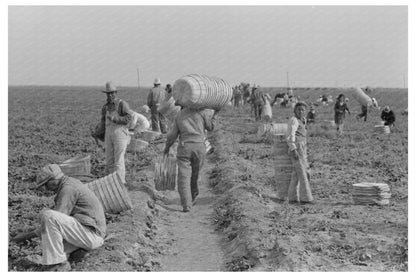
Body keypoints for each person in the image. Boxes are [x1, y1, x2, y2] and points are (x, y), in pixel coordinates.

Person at [11, 164, 106, 271]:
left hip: (93, 235)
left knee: (48, 215)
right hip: (87, 233)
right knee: (47, 218)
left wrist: (26, 236)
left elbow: (55, 218)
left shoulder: (68, 189)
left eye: (46, 184)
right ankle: (78, 251)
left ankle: (59, 263)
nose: (46, 188)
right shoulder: (68, 184)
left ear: (54, 180)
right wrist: (29, 231)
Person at [163, 107, 218, 212]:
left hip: (184, 147)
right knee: (195, 175)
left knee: (183, 177)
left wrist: (167, 147)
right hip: (199, 147)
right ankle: (192, 197)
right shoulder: (201, 113)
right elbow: (210, 127)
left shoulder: (179, 115)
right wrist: (215, 115)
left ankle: (186, 204)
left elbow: (172, 135)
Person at [92, 81, 132, 184]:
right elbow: (103, 122)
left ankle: (120, 183)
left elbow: (128, 118)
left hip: (120, 133)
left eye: (111, 93)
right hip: (109, 134)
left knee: (118, 159)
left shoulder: (122, 104)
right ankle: (110, 183)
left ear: (115, 93)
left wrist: (115, 119)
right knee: (109, 159)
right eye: (108, 93)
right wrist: (97, 132)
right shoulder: (105, 107)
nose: (110, 95)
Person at [284, 101, 314, 204]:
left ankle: (292, 197)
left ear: (306, 112)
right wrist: (294, 149)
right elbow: (290, 135)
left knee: (297, 174)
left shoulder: (303, 120)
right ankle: (306, 198)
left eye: (303, 110)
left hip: (302, 147)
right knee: (303, 174)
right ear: (295, 111)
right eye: (298, 109)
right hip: (297, 148)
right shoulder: (294, 120)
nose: (301, 112)